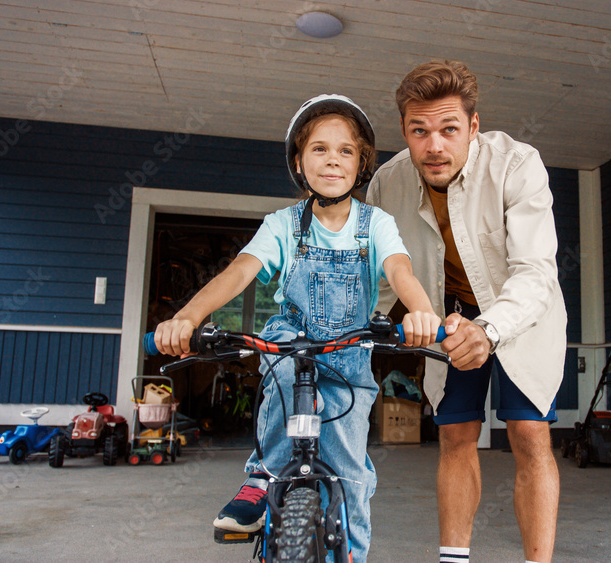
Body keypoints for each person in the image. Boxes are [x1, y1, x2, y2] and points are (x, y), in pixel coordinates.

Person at [154, 94, 441, 562]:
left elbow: (400, 270)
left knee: (350, 474)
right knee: (285, 370)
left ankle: (350, 553)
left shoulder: (377, 224)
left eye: (346, 150)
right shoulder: (284, 225)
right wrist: (188, 316)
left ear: (361, 163)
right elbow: (239, 273)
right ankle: (263, 476)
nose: (333, 159)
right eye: (319, 149)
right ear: (299, 162)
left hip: (349, 355)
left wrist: (421, 311)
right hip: (292, 340)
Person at [366, 61, 567, 563]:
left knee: (527, 431)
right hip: (445, 316)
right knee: (455, 434)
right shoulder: (386, 185)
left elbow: (536, 271)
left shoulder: (518, 164)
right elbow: (377, 279)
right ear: (405, 132)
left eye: (449, 129)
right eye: (420, 131)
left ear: (473, 127)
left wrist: (491, 328)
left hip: (520, 312)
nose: (435, 146)